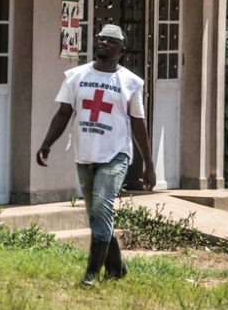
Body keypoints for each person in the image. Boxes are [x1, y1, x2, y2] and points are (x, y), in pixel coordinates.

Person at [36, 24, 156, 286]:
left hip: (115, 155)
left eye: (111, 41)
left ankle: (91, 276)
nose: (104, 44)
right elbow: (64, 113)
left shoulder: (130, 83)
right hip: (85, 155)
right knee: (97, 216)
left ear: (121, 50)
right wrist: (47, 143)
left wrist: (148, 164)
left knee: (101, 210)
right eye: (101, 39)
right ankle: (116, 268)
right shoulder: (75, 76)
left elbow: (138, 123)